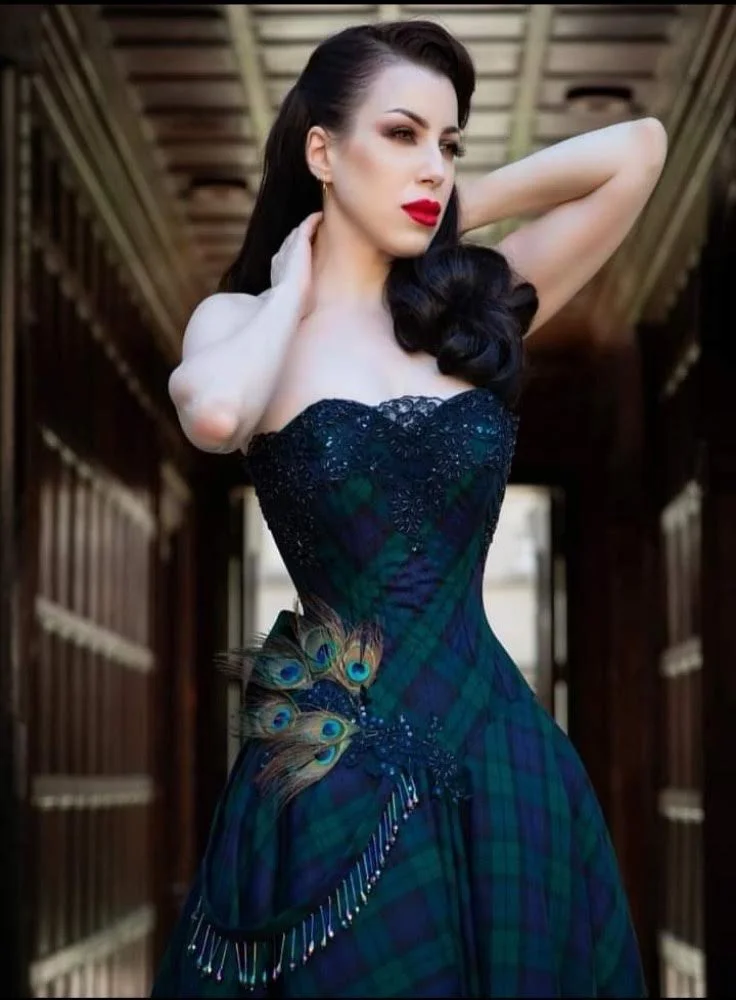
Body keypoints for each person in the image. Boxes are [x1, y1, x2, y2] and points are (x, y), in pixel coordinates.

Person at [152, 18, 666, 999]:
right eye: (400, 134)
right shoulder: (240, 323)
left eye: (447, 140)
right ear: (321, 151)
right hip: (336, 770)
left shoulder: (474, 312)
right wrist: (293, 282)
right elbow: (217, 414)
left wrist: (453, 203)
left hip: (500, 752)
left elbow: (637, 152)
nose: (429, 161)